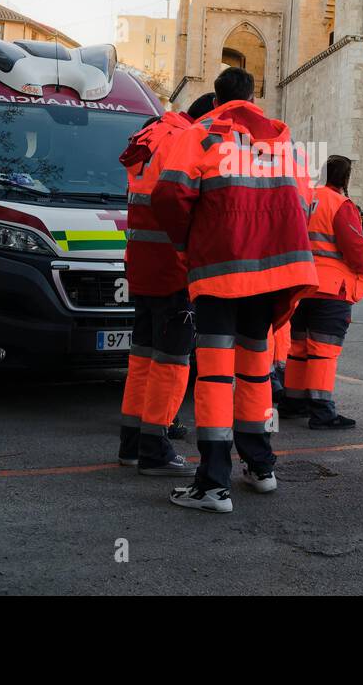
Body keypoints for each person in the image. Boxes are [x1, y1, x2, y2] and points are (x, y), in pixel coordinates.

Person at [152, 67, 317, 513]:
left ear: (216, 96)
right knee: (255, 371)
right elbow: (306, 201)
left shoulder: (203, 133)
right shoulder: (280, 140)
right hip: (272, 275)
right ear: (253, 95)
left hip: (221, 272)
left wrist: (190, 242)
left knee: (215, 376)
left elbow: (168, 195)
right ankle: (261, 467)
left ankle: (212, 484)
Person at [115, 92, 216, 476]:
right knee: (173, 361)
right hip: (173, 268)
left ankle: (132, 443)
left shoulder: (152, 132)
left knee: (142, 357)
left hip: (141, 265)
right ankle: (155, 449)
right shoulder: (188, 138)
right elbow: (178, 199)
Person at [280, 155, 363, 429]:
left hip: (300, 284)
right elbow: (355, 247)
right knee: (323, 351)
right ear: (345, 178)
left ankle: (293, 401)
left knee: (298, 347)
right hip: (331, 288)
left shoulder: (306, 197)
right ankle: (322, 412)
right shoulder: (341, 204)